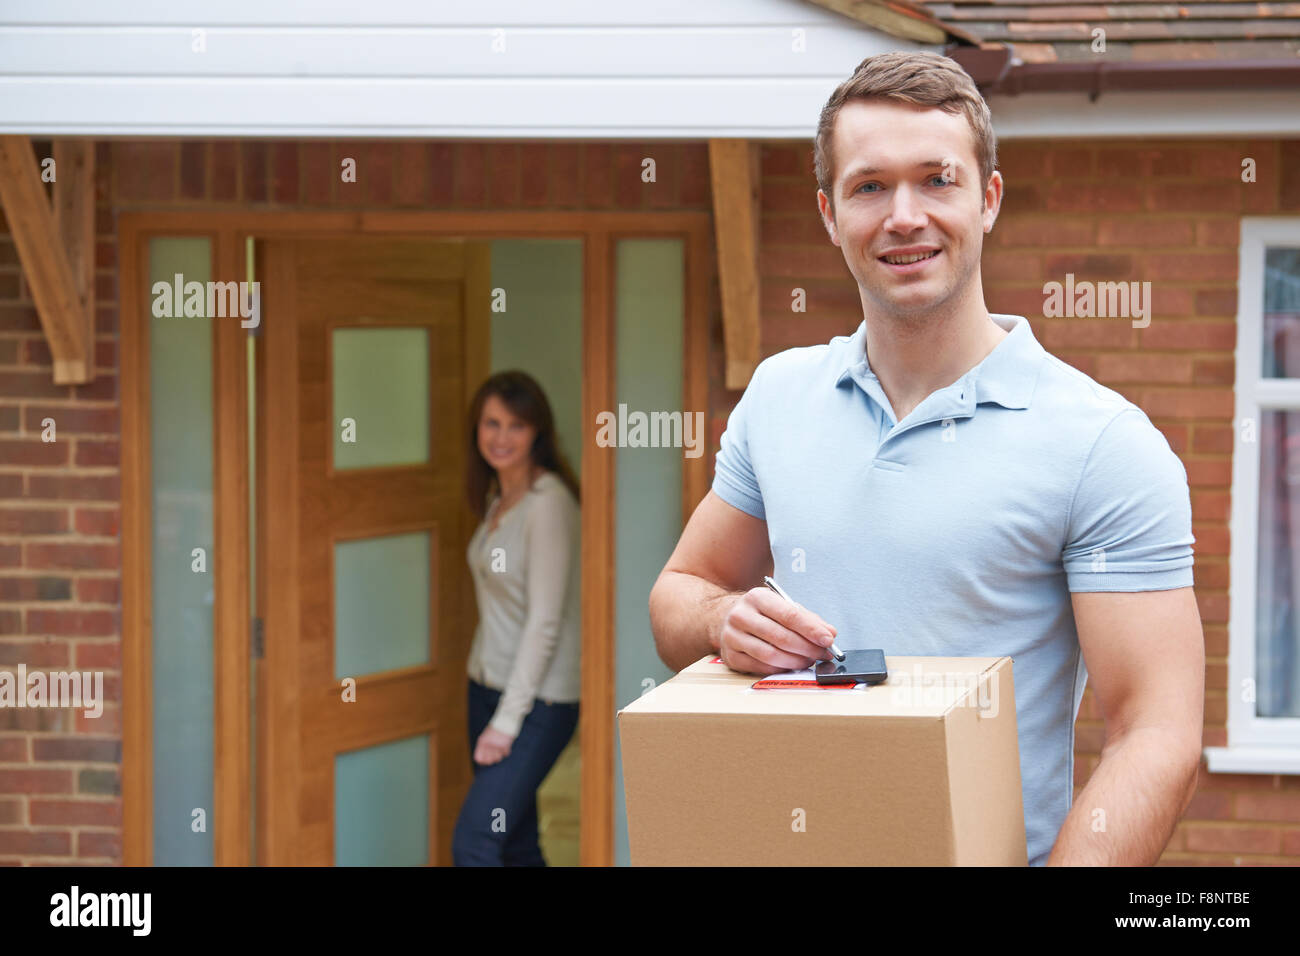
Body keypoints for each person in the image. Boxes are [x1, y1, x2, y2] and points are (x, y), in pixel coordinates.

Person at [648, 51, 1205, 866]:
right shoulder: (779, 395)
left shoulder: (1100, 443)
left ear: (988, 199)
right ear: (830, 215)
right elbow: (678, 596)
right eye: (869, 186)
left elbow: (1157, 734)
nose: (903, 216)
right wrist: (720, 620)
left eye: (936, 180)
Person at [452, 370, 581, 866]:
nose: (501, 437)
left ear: (537, 433)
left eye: (516, 426)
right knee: (517, 843)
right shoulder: (498, 501)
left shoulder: (549, 506)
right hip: (485, 686)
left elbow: (544, 622)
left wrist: (507, 723)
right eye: (491, 423)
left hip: (537, 703)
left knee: (475, 843)